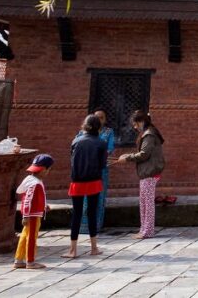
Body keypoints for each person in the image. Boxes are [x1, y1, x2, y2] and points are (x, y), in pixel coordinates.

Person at [114, 110, 165, 239]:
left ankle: (147, 231)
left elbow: (144, 154)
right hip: (146, 172)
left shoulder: (149, 135)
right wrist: (127, 156)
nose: (135, 127)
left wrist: (127, 158)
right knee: (144, 202)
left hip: (149, 172)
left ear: (141, 122)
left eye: (136, 124)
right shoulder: (148, 133)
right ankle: (144, 230)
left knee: (147, 203)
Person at [64, 114, 108, 258]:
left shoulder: (76, 141)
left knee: (76, 214)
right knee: (92, 213)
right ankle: (94, 247)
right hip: (94, 181)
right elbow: (102, 165)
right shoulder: (101, 143)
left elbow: (72, 161)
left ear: (85, 125)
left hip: (77, 181)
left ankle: (73, 249)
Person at [77, 109, 115, 235]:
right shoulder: (81, 134)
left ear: (105, 119)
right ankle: (83, 226)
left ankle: (97, 225)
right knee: (85, 198)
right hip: (85, 170)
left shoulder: (108, 132)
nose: (99, 119)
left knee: (99, 197)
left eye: (102, 117)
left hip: (101, 170)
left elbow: (109, 149)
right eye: (96, 117)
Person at [13, 154, 54, 269]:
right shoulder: (35, 183)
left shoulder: (30, 179)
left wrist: (43, 206)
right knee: (31, 238)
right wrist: (25, 215)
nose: (48, 172)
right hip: (32, 215)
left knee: (25, 236)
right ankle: (30, 261)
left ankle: (19, 260)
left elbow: (20, 190)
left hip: (32, 213)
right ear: (44, 169)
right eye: (49, 169)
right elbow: (28, 200)